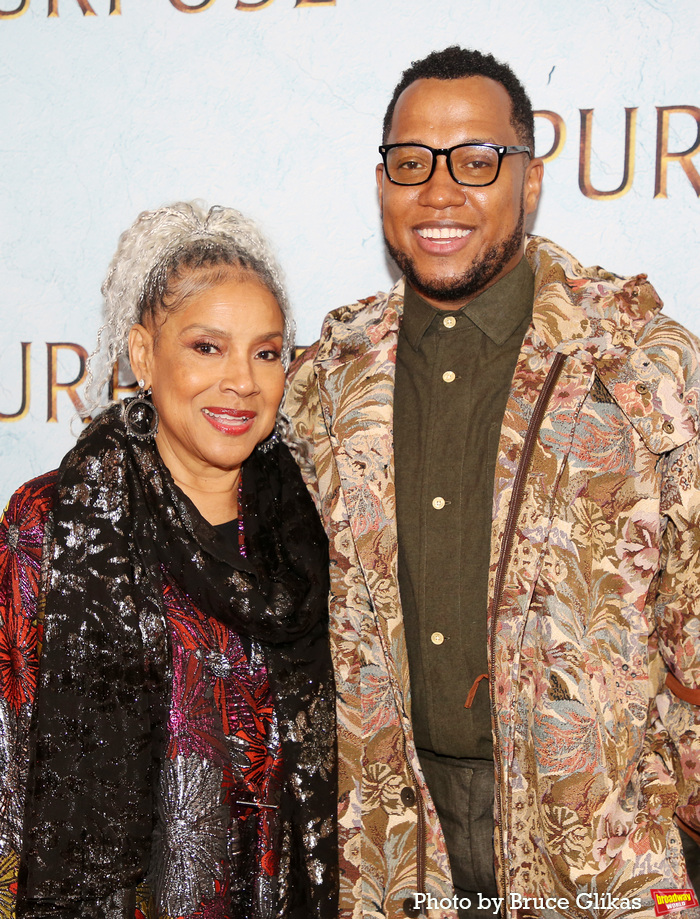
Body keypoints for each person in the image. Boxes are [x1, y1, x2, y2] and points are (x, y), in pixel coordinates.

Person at [284, 46, 700, 919]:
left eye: (478, 161)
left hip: (595, 843)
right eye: (411, 164)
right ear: (382, 181)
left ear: (531, 181)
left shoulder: (638, 363)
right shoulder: (325, 383)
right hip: (391, 841)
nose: (440, 193)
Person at [0, 202, 337, 918]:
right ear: (144, 355)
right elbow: (9, 772)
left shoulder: (311, 532)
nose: (243, 381)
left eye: (268, 351)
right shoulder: (53, 525)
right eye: (208, 348)